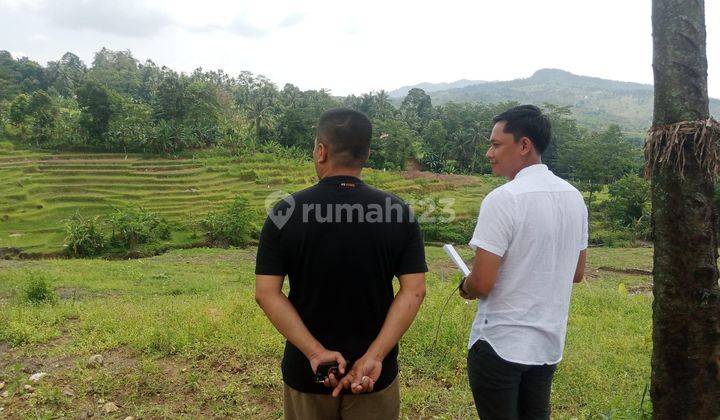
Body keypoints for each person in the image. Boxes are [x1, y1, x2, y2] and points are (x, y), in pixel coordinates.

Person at [254, 108, 428, 420]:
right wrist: (374, 356)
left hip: (307, 372)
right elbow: (413, 292)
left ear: (321, 151)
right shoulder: (399, 212)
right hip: (374, 374)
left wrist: (315, 353)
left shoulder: (285, 212)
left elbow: (266, 293)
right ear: (367, 153)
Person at [459, 105, 588, 419]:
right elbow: (577, 273)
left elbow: (483, 283)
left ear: (524, 145)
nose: (490, 153)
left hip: (499, 344)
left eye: (496, 144)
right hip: (546, 346)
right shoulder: (574, 198)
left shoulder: (504, 199)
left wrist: (465, 284)